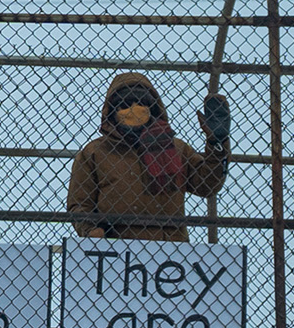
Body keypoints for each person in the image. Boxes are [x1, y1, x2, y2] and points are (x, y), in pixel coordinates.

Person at [66, 72, 230, 242]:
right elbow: (80, 203)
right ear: (112, 112)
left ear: (152, 109)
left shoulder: (175, 148)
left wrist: (217, 143)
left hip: (169, 243)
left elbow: (207, 184)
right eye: (124, 105)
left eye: (142, 104)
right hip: (115, 244)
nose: (134, 111)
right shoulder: (95, 152)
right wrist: (91, 231)